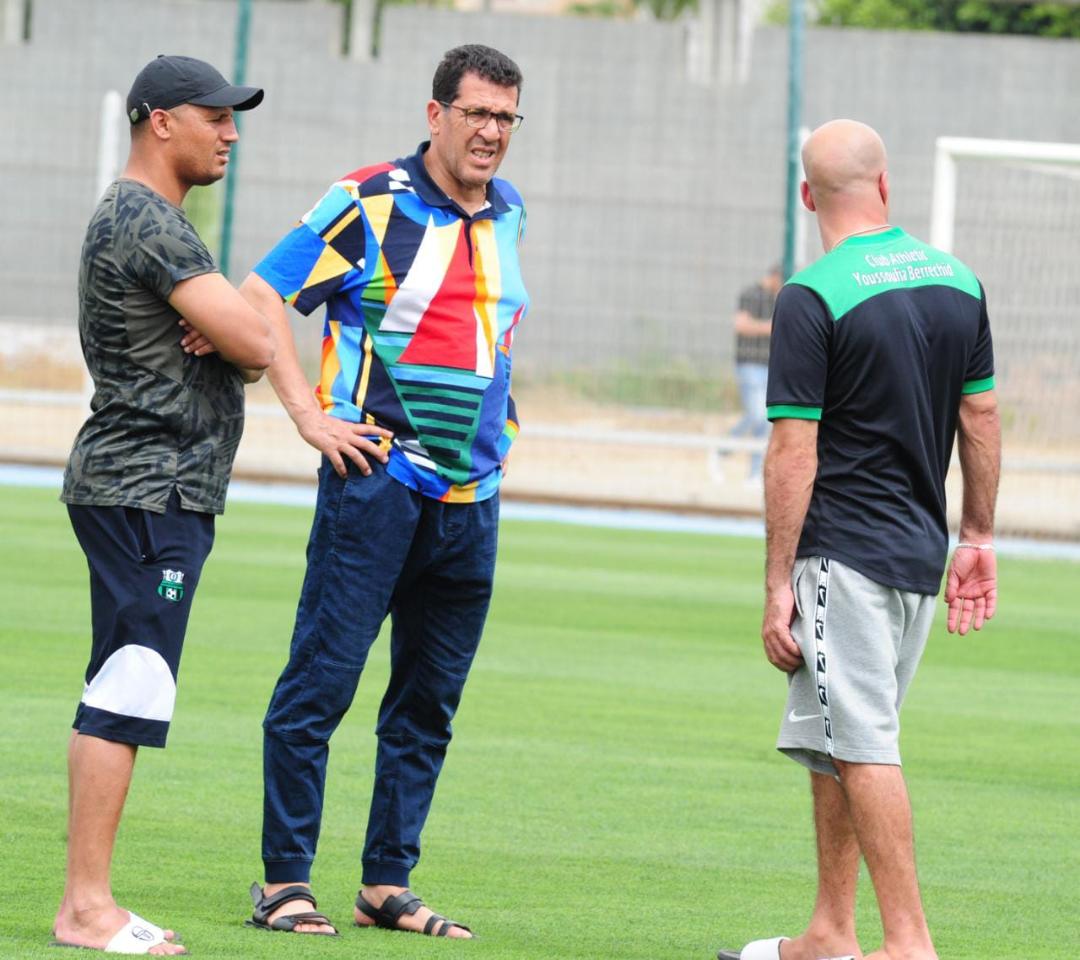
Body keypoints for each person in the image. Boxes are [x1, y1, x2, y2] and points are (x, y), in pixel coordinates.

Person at [238, 43, 528, 939]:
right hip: (376, 484)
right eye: (476, 113)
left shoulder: (511, 210)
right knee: (320, 687)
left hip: (472, 501)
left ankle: (384, 883)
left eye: (507, 119)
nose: (491, 133)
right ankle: (284, 882)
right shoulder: (369, 200)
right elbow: (259, 297)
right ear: (435, 113)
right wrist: (307, 416)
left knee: (426, 705)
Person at [719, 119, 1000, 960]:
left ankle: (908, 944)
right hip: (918, 553)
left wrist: (777, 583)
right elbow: (980, 413)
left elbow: (792, 446)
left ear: (808, 198)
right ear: (886, 185)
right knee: (833, 733)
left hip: (844, 555)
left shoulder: (810, 293)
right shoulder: (959, 280)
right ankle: (829, 934)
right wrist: (977, 532)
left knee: (866, 742)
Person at [52, 56, 272, 955]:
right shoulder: (148, 220)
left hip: (152, 489)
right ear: (159, 121)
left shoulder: (153, 221)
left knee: (126, 676)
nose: (229, 131)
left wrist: (230, 332)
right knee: (131, 681)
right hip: (148, 489)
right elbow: (258, 340)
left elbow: (245, 341)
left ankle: (87, 902)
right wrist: (231, 332)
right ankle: (87, 909)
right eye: (213, 115)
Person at [727, 264, 782, 479]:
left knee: (763, 419)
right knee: (758, 416)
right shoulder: (751, 294)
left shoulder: (779, 299)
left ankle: (753, 472)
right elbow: (741, 325)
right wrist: (769, 327)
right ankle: (724, 448)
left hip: (770, 365)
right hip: (750, 363)